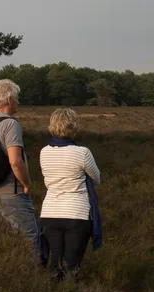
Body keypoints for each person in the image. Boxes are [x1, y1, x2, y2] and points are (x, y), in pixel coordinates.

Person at [39, 109, 102, 281]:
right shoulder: (82, 152)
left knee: (55, 262)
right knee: (72, 265)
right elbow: (96, 178)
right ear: (74, 127)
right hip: (77, 214)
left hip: (50, 213)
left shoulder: (44, 151)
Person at [0, 79, 39, 255]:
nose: (18, 102)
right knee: (29, 239)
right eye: (16, 98)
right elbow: (15, 161)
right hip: (10, 193)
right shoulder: (10, 124)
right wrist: (26, 184)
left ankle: (4, 275)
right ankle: (31, 279)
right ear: (9, 100)